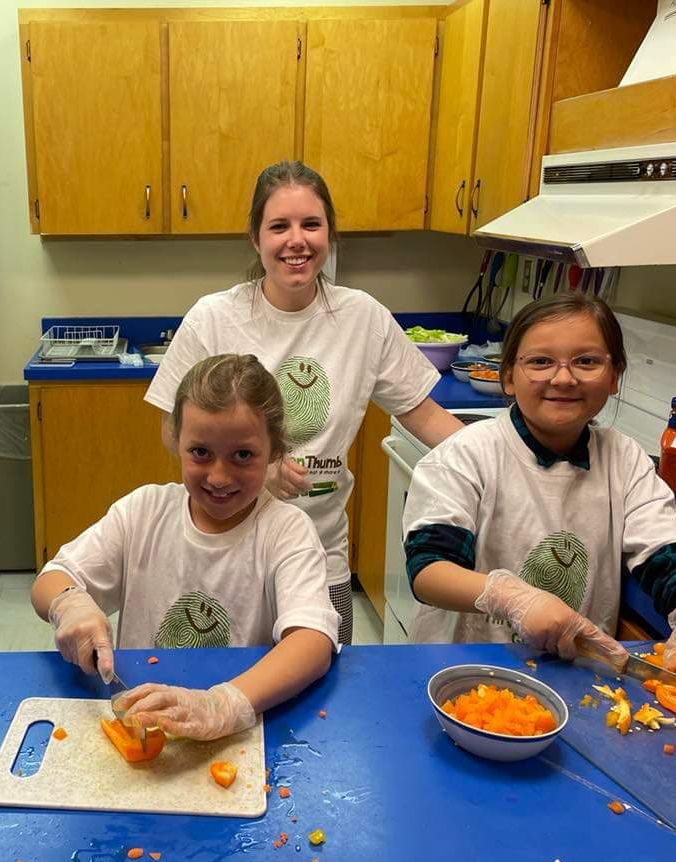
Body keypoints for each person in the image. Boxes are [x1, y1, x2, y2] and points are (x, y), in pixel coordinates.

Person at [145, 160, 462, 645]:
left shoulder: (363, 319)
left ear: (329, 233)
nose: (297, 240)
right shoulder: (214, 318)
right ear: (256, 237)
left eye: (311, 224)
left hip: (320, 556)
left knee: (321, 696)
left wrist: (505, 461)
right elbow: (173, 428)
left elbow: (423, 415)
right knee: (222, 696)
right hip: (228, 551)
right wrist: (250, 466)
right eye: (279, 226)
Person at [403, 293, 676, 697]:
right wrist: (513, 598)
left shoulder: (623, 458)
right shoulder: (465, 456)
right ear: (509, 377)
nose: (563, 378)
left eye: (586, 361)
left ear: (614, 374)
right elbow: (429, 570)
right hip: (464, 673)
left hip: (576, 675)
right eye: (540, 361)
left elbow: (669, 551)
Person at [31, 354, 340, 741]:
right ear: (176, 440)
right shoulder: (142, 512)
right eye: (200, 453)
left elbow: (312, 642)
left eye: (243, 455)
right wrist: (70, 604)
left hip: (242, 727)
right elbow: (51, 580)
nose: (219, 475)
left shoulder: (286, 531)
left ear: (275, 451)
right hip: (138, 714)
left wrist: (223, 705)